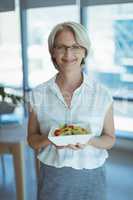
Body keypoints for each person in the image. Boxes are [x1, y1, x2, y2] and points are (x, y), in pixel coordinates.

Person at [27, 21, 115, 200]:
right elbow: (32, 140)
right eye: (61, 47)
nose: (68, 54)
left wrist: (89, 140)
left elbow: (110, 139)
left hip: (92, 178)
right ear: (52, 51)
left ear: (84, 51)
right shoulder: (38, 94)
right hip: (52, 179)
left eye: (75, 46)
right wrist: (50, 139)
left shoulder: (102, 94)